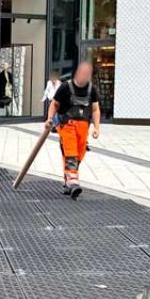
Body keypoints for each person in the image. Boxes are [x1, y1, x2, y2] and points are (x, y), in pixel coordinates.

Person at [46, 61, 101, 200]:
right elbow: (54, 104)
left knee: (79, 155)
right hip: (67, 125)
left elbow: (95, 109)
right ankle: (73, 182)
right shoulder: (66, 87)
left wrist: (96, 127)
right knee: (70, 153)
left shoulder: (91, 90)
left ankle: (68, 182)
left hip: (83, 127)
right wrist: (49, 118)